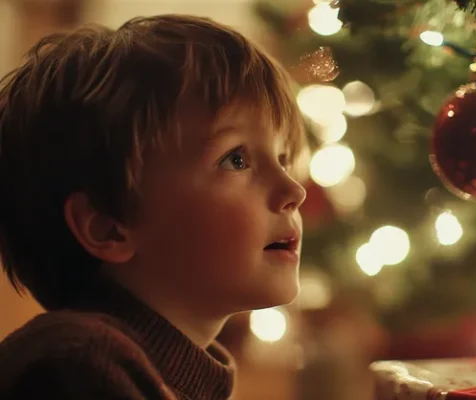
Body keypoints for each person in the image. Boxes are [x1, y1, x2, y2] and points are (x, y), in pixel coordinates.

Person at [0, 14, 307, 400]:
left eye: (282, 158)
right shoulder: (77, 363)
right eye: (236, 159)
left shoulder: (159, 373)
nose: (294, 189)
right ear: (108, 226)